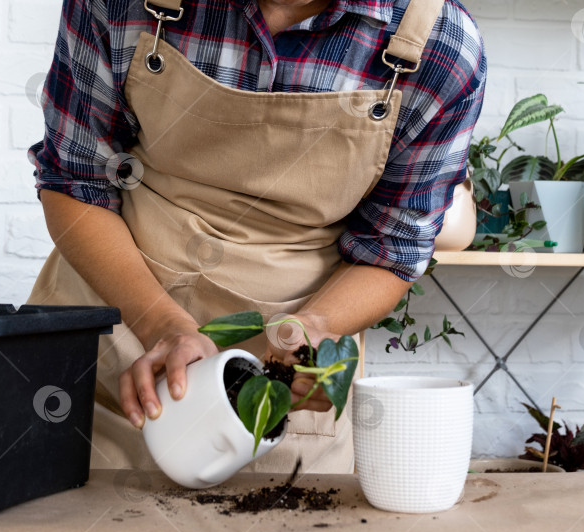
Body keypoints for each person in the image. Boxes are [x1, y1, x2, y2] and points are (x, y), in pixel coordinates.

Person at [27, 0, 487, 474]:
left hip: (274, 402)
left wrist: (302, 339)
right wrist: (160, 323)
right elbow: (75, 181)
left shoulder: (442, 46)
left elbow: (390, 251)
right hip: (108, 349)